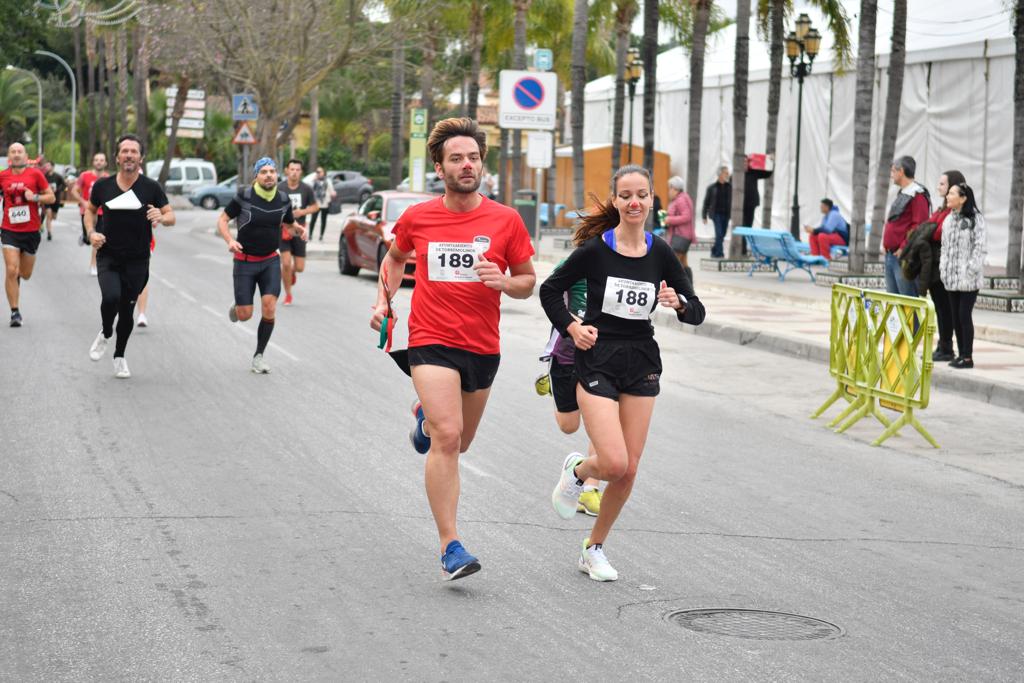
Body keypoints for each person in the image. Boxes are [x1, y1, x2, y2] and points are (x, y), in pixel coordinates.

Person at [369, 117, 536, 581]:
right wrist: (384, 302)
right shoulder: (419, 217)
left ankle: (425, 413)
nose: (467, 165)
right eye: (457, 159)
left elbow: (527, 281)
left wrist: (505, 282)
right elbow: (395, 258)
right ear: (439, 169)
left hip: (482, 346)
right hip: (430, 339)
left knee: (461, 440)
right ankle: (451, 545)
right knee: (446, 438)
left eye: (474, 158)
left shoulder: (506, 220)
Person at [540, 164, 706, 582]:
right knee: (612, 462)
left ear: (652, 201)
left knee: (629, 469)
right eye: (626, 195)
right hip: (597, 358)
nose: (634, 202)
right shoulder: (596, 250)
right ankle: (579, 470)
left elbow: (697, 310)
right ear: (615, 201)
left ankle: (593, 547)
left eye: (642, 195)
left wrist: (680, 303)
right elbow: (549, 290)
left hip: (641, 361)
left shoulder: (661, 252)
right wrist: (572, 328)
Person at [85, 134, 175, 378]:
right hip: (108, 255)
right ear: (117, 157)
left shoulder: (151, 187)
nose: (128, 155)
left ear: (141, 157)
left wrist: (161, 216)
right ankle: (105, 332)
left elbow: (171, 217)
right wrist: (91, 232)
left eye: (133, 151)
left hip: (138, 259)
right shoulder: (103, 186)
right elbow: (90, 211)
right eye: (124, 151)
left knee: (126, 312)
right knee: (111, 297)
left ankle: (119, 356)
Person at [218, 157, 304, 373]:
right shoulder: (244, 196)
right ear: (255, 176)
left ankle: (259, 356)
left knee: (269, 306)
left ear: (277, 175)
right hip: (244, 261)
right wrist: (230, 240)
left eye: (272, 171)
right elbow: (222, 219)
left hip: (269, 261)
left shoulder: (283, 199)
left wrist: (299, 229)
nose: (268, 175)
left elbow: (288, 221)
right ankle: (239, 306)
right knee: (245, 315)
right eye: (263, 171)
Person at [540, 260, 602, 517]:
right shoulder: (578, 261)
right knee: (569, 426)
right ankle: (554, 388)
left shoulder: (624, 265)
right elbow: (551, 294)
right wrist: (573, 324)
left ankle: (590, 488)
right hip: (566, 353)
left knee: (600, 421)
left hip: (601, 358)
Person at [1, 142, 55, 327]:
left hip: (31, 231)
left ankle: (17, 277)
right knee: (11, 270)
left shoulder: (35, 174)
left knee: (24, 274)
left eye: (19, 151)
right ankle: (15, 312)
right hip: (9, 230)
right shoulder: (3, 176)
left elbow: (52, 197)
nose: (16, 154)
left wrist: (36, 197)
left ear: (25, 155)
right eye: (13, 151)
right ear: (9, 156)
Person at [939, 182, 986, 369]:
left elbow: (980, 247)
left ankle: (968, 357)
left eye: (951, 193)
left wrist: (971, 270)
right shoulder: (948, 220)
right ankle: (960, 354)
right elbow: (944, 248)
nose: (947, 196)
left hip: (969, 280)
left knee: (964, 315)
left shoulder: (976, 219)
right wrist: (944, 269)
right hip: (951, 279)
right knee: (955, 317)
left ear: (963, 198)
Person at [882, 156, 930, 295]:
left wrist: (903, 247)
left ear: (901, 171)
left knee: (908, 304)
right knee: (894, 304)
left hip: (904, 257)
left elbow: (919, 225)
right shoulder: (903, 192)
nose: (892, 175)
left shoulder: (918, 194)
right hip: (891, 255)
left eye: (893, 171)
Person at [277, 159, 317, 305]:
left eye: (297, 170)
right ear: (287, 170)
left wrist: (303, 211)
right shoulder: (279, 188)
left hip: (300, 232)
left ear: (301, 172)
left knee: (299, 268)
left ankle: (291, 273)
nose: (294, 172)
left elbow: (315, 207)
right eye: (292, 169)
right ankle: (288, 295)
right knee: (286, 264)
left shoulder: (306, 189)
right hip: (283, 231)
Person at [68, 152, 110, 275]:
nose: (99, 162)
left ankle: (93, 265)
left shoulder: (108, 178)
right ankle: (84, 237)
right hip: (87, 212)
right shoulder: (84, 176)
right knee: (88, 239)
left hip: (102, 212)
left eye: (101, 160)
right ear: (93, 162)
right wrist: (83, 202)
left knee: (97, 238)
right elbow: (74, 191)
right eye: (96, 160)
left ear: (105, 163)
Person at [664, 175, 695, 278]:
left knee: (675, 264)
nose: (669, 191)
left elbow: (687, 216)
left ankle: (681, 287)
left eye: (670, 188)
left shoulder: (681, 200)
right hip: (683, 236)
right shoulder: (682, 198)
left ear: (675, 188)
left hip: (681, 236)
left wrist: (669, 220)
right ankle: (689, 287)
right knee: (683, 263)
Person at [701, 166, 730, 258]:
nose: (727, 175)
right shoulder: (712, 188)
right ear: (720, 174)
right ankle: (719, 254)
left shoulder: (730, 187)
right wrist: (704, 216)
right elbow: (706, 202)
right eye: (725, 173)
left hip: (726, 214)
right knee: (719, 233)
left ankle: (714, 249)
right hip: (716, 214)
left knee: (723, 234)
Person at [41, 160, 65, 242]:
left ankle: (42, 219)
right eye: (46, 166)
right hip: (47, 199)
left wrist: (58, 189)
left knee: (53, 217)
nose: (47, 167)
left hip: (56, 199)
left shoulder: (58, 176)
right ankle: (49, 233)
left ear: (52, 167)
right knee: (49, 215)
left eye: (48, 165)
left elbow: (64, 185)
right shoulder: (44, 176)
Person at [311, 166, 336, 241]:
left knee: (323, 220)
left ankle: (321, 235)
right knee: (313, 219)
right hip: (316, 203)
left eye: (320, 172)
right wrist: (313, 180)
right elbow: (309, 190)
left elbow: (332, 191)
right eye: (317, 172)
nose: (318, 173)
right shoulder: (314, 181)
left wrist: (333, 194)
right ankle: (310, 235)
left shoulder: (327, 181)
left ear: (324, 173)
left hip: (325, 203)